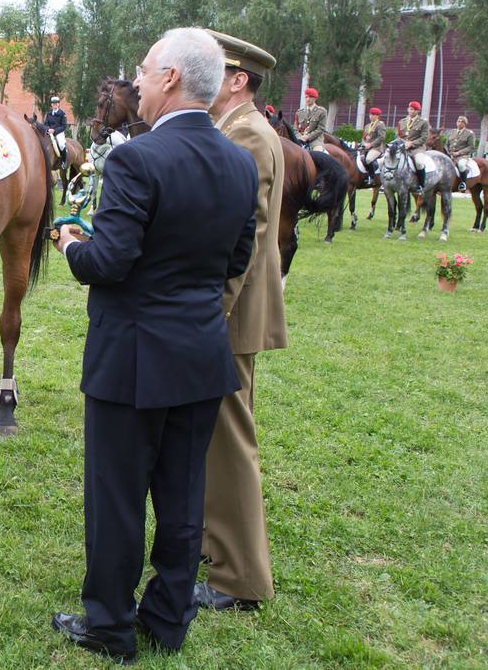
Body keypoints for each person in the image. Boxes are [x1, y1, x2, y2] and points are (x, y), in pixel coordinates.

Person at [51, 28, 257, 660]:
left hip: (131, 359)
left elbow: (108, 263)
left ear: (170, 78)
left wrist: (70, 245)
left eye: (142, 71)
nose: (134, 83)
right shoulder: (238, 161)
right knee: (182, 497)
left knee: (115, 500)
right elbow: (237, 257)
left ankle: (110, 626)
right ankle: (168, 619)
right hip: (199, 355)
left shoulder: (136, 159)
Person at [197, 30, 287, 614]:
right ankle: (220, 553)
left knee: (230, 444)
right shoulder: (237, 129)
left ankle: (240, 579)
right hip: (233, 309)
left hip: (231, 312)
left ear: (237, 79)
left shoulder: (249, 132)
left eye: (215, 72)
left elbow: (246, 237)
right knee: (220, 439)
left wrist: (214, 312)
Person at [398, 100, 431, 192]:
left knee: (419, 163)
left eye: (413, 109)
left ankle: (421, 184)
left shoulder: (423, 122)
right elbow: (399, 135)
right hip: (403, 146)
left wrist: (411, 143)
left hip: (417, 148)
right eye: (410, 109)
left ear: (417, 111)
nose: (411, 111)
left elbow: (424, 137)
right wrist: (403, 143)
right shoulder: (402, 121)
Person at [448, 115, 477, 192]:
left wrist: (459, 153)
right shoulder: (452, 132)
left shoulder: (469, 133)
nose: (459, 123)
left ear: (465, 123)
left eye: (462, 122)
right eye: (458, 121)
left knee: (461, 164)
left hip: (463, 156)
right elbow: (446, 144)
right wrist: (448, 152)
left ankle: (463, 183)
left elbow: (471, 147)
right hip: (450, 155)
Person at [361, 107, 386, 184]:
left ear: (377, 116)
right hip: (366, 147)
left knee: (368, 159)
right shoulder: (367, 126)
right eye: (370, 114)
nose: (371, 116)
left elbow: (381, 137)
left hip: (376, 148)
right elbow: (363, 137)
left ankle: (372, 177)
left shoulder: (380, 125)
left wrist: (371, 144)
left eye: (374, 115)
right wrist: (364, 143)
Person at [45, 95, 69, 166]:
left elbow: (64, 126)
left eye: (56, 103)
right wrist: (48, 129)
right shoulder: (49, 113)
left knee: (61, 145)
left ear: (58, 104)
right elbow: (46, 123)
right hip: (49, 132)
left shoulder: (62, 114)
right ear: (51, 104)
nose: (54, 105)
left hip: (59, 132)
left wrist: (54, 130)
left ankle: (64, 161)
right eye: (53, 103)